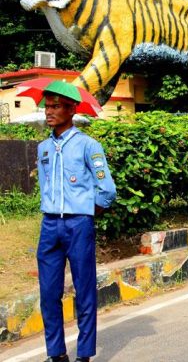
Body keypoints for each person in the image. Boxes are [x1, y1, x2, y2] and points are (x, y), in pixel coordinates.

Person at [36, 81, 117, 362]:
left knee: (84, 291)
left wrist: (87, 212)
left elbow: (107, 189)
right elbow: (45, 187)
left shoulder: (87, 145)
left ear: (71, 109)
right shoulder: (43, 148)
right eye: (47, 106)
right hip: (49, 226)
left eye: (56, 106)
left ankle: (84, 353)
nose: (49, 111)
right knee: (48, 293)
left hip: (78, 225)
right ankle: (56, 353)